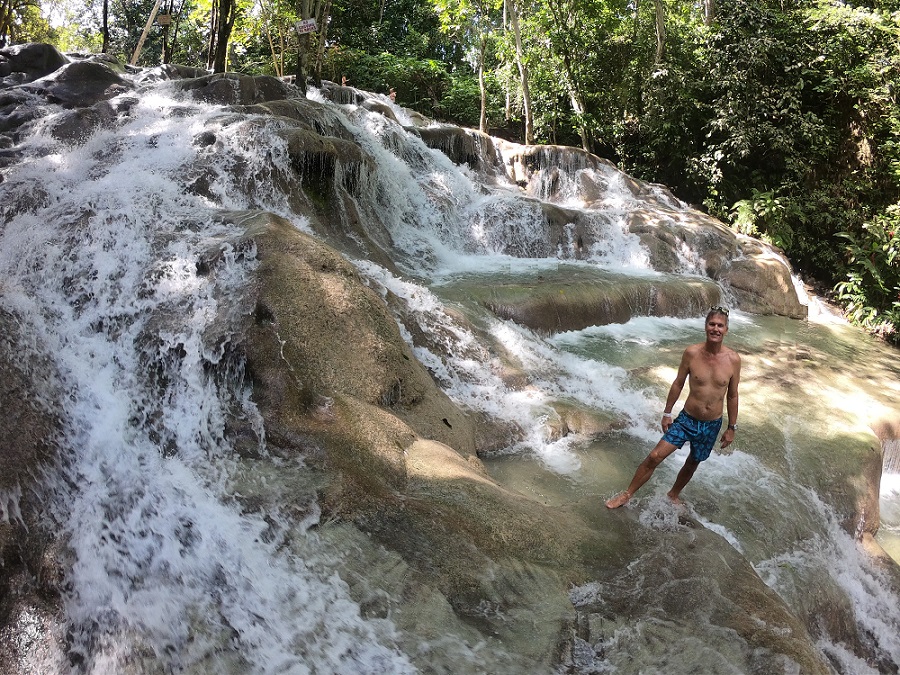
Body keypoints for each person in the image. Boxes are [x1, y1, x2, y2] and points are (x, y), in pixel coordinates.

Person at [605, 307, 741, 508]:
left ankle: (673, 494)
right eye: (712, 324)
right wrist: (667, 413)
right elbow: (678, 383)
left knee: (693, 461)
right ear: (705, 326)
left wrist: (732, 428)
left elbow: (733, 394)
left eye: (720, 326)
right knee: (655, 456)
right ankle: (627, 494)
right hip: (687, 419)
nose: (715, 329)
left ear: (726, 330)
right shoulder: (692, 353)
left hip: (712, 424)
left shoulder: (733, 360)